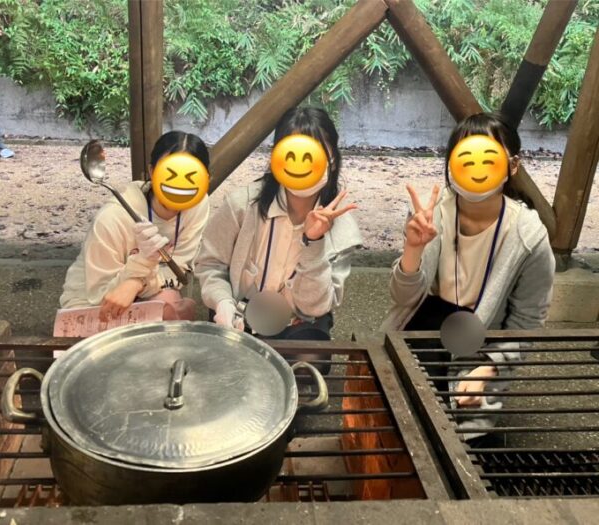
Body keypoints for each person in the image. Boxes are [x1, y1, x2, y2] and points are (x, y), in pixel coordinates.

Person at [381, 112, 555, 442]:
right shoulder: (430, 215)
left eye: (488, 158)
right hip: (424, 321)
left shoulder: (529, 236)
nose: (477, 168)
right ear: (452, 165)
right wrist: (413, 249)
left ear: (512, 166)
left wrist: (489, 368)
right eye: (466, 158)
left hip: (482, 335)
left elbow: (527, 320)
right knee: (401, 418)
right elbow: (402, 299)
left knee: (468, 436)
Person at [196, 106, 361, 343]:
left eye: (311, 154)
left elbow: (316, 306)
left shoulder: (344, 230)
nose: (300, 163)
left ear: (332, 160)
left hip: (301, 321)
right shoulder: (241, 205)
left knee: (310, 357)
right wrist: (222, 303)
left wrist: (314, 242)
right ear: (275, 158)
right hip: (239, 315)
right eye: (291, 153)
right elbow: (210, 263)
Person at [59, 131, 210, 323]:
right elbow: (102, 295)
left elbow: (178, 272)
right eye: (170, 173)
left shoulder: (198, 205)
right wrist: (141, 266)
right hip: (92, 302)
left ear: (206, 179)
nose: (179, 184)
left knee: (172, 310)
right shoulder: (112, 218)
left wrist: (136, 283)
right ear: (152, 171)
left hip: (146, 291)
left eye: (191, 176)